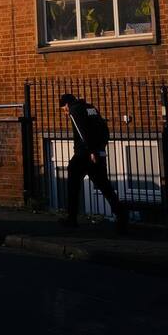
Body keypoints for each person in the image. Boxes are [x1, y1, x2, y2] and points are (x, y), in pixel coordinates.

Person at [59, 92, 128, 233]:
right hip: (98, 151)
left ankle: (71, 218)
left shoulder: (74, 109)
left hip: (85, 154)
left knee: (73, 184)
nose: (65, 113)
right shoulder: (90, 108)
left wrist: (91, 151)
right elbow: (103, 127)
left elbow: (82, 131)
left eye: (63, 109)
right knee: (104, 185)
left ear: (66, 104)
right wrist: (101, 147)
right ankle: (121, 215)